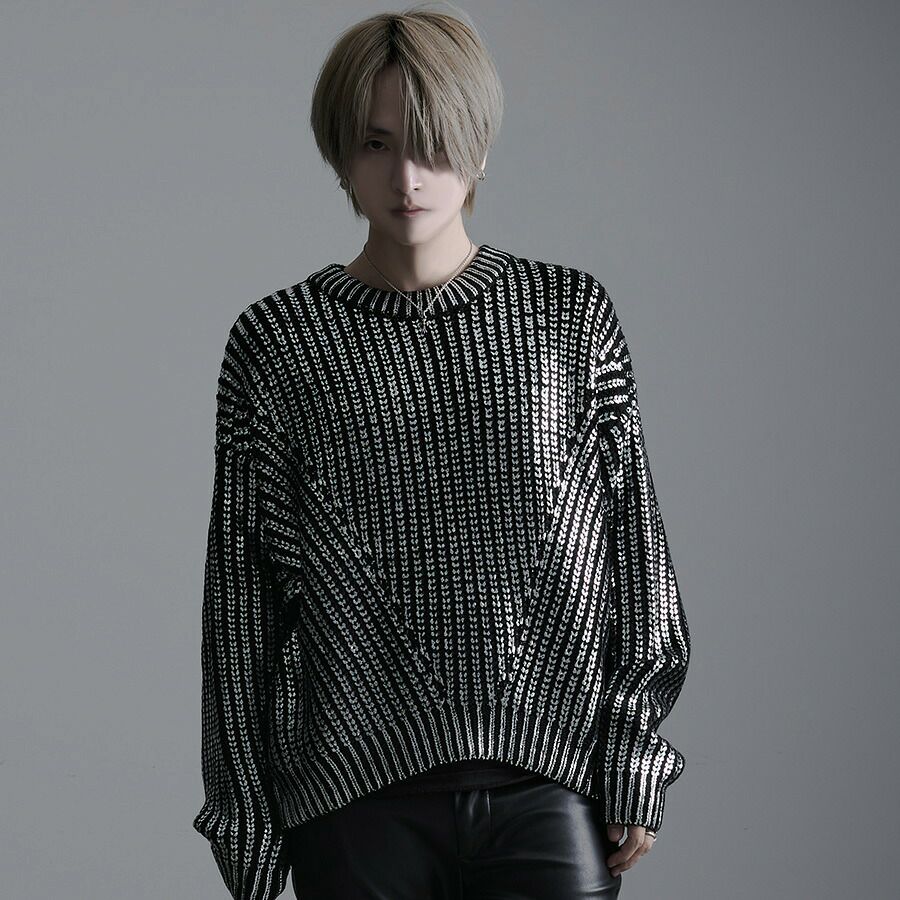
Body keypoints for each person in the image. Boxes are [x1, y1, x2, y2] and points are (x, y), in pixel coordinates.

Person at [191, 4, 691, 899]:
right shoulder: (278, 344)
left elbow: (635, 555)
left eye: (432, 143)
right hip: (353, 804)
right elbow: (241, 602)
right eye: (377, 144)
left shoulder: (568, 320)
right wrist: (246, 826)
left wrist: (633, 752)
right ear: (341, 154)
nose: (408, 177)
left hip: (552, 785)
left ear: (479, 146)